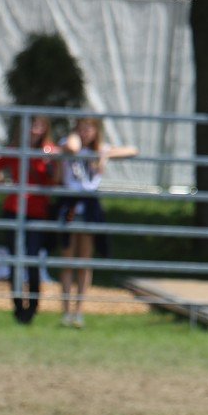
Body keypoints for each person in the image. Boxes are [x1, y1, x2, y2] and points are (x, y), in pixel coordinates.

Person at [56, 118, 136, 328]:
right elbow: (71, 147)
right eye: (80, 128)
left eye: (89, 129)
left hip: (90, 206)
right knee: (67, 260)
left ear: (96, 131)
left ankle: (78, 312)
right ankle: (65, 312)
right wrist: (77, 137)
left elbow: (131, 150)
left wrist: (105, 153)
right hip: (71, 205)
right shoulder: (69, 143)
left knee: (84, 261)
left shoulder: (100, 149)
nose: (84, 133)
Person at [0, 115, 58, 324]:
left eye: (39, 125)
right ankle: (18, 307)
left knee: (33, 259)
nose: (35, 129)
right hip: (14, 209)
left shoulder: (50, 152)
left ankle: (33, 308)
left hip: (37, 211)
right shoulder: (15, 149)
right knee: (15, 260)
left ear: (45, 128)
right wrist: (6, 186)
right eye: (32, 125)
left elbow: (55, 180)